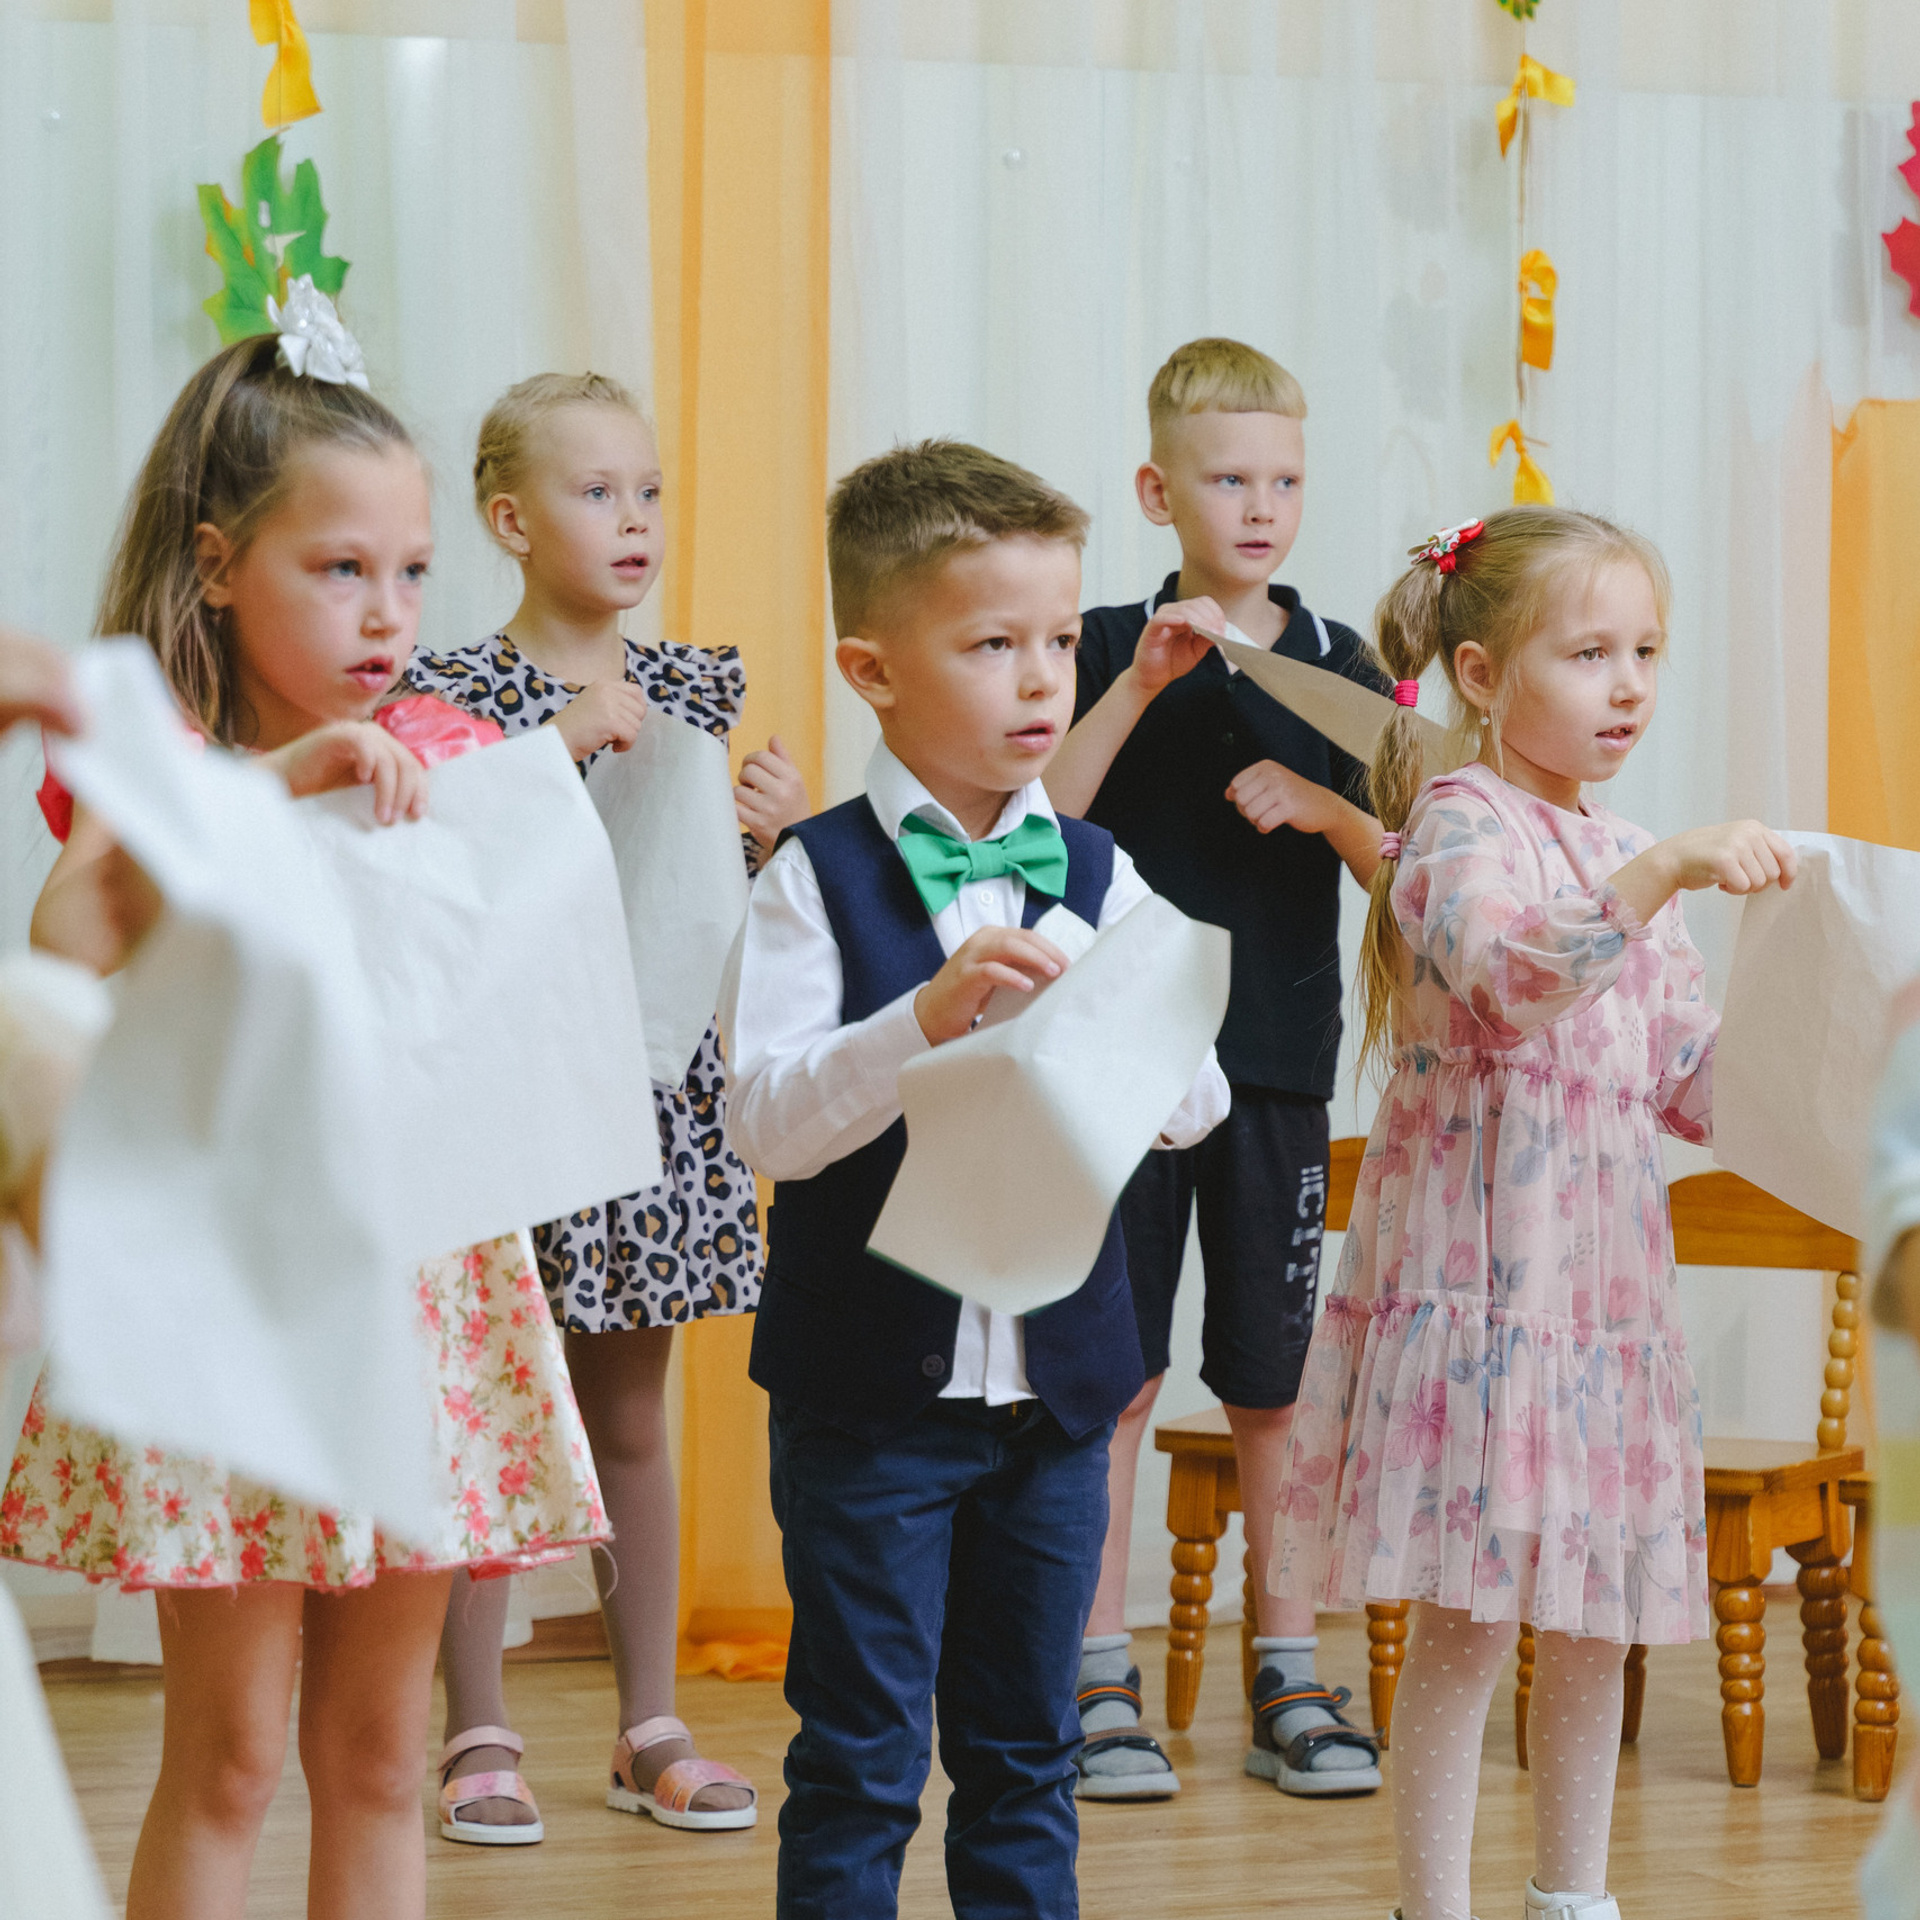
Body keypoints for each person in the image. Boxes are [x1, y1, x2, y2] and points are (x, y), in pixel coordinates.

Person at [2, 300, 608, 1920]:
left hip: (422, 1287)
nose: (387, 612)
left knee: (379, 1759)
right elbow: (68, 939)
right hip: (229, 1287)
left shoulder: (457, 749)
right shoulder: (157, 759)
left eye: (412, 570)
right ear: (216, 564)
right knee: (229, 1761)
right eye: (338, 568)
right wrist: (282, 785)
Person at [722, 437, 1228, 1920]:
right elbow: (767, 1124)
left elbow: (1192, 1104)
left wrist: (1092, 1000)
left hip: (1061, 1401)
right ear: (872, 671)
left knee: (1028, 1755)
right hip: (872, 1405)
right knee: (864, 1759)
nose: (1041, 681)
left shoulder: (1099, 870)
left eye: (1062, 641)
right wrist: (918, 1024)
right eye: (994, 643)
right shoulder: (811, 875)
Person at [1269, 507, 1797, 1920]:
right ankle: (1431, 1907)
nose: (1628, 684)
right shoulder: (1454, 826)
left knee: (1590, 1626)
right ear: (1484, 674)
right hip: (1488, 1293)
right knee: (1470, 1623)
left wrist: (1832, 1040)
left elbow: (1687, 1079)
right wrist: (1667, 869)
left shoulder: (1626, 847)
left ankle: (1575, 1898)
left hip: (1603, 1305)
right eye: (1589, 653)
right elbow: (1515, 978)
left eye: (1646, 653)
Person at [403, 370, 805, 1840]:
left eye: (646, 491)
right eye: (595, 493)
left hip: (651, 1108)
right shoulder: (450, 699)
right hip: (503, 1099)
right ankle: (481, 1727)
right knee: (491, 1416)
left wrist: (764, 836)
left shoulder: (693, 684)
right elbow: (436, 896)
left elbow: (689, 919)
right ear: (509, 519)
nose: (632, 519)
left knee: (626, 1417)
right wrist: (550, 754)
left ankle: (648, 1723)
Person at [1044, 336, 1387, 1799]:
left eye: (1286, 480)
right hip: (1123, 1067)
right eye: (1228, 478)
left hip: (1277, 1075)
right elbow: (1033, 822)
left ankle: (1290, 1674)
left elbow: (1418, 862)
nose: (1260, 506)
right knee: (1114, 1380)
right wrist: (1136, 690)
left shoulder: (1341, 664)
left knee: (1274, 1381)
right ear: (1157, 490)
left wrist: (1325, 804)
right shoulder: (1106, 642)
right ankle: (1095, 1676)